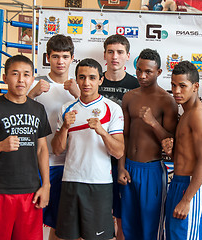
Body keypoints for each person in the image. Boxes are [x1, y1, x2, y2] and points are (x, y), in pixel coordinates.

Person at [0, 55, 52, 240]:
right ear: (5, 77)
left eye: (26, 74)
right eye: (15, 74)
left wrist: (46, 185)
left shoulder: (37, 110)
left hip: (31, 192)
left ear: (33, 78)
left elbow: (42, 149)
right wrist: (0, 146)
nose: (21, 79)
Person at [52, 58, 124, 240]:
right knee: (68, 236)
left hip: (99, 182)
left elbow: (119, 151)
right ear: (76, 79)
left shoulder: (112, 108)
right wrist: (64, 128)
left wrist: (102, 132)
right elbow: (57, 149)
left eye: (92, 78)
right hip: (71, 180)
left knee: (99, 237)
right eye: (82, 77)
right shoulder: (66, 109)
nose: (86, 82)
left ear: (100, 80)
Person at [118, 48, 178, 240]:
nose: (142, 76)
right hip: (129, 167)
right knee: (129, 224)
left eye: (148, 72)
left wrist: (153, 122)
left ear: (159, 72)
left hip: (152, 170)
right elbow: (124, 135)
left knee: (151, 227)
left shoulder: (167, 101)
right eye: (138, 70)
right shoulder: (129, 97)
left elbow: (170, 141)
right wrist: (121, 166)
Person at [28, 34, 79, 240]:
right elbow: (16, 110)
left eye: (65, 56)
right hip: (37, 162)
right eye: (55, 56)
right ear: (48, 57)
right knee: (31, 220)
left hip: (67, 164)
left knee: (59, 224)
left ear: (72, 58)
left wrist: (79, 95)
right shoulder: (34, 84)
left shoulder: (79, 87)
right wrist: (31, 95)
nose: (60, 61)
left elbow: (93, 112)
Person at [162, 61, 202, 240]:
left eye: (182, 86)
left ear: (195, 86)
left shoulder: (199, 115)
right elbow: (189, 153)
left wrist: (187, 200)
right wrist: (172, 152)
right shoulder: (187, 113)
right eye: (173, 85)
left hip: (191, 187)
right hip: (179, 183)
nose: (176, 91)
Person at [99, 34, 139, 240]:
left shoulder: (135, 84)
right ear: (104, 54)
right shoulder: (93, 80)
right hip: (95, 156)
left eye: (120, 52)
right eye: (111, 52)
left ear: (128, 56)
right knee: (96, 215)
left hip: (123, 158)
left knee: (122, 215)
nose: (115, 56)